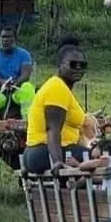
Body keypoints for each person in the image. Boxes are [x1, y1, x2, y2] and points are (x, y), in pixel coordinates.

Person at [23, 34, 91, 175]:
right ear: (60, 64)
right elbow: (52, 129)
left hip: (49, 150)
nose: (78, 68)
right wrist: (57, 162)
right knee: (107, 157)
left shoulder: (63, 89)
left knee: (98, 153)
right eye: (73, 64)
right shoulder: (56, 88)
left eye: (82, 65)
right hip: (43, 152)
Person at [0, 26, 35, 123]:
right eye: (3, 37)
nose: (5, 40)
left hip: (18, 90)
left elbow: (26, 75)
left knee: (28, 88)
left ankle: (29, 125)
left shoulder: (24, 54)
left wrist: (15, 84)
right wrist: (3, 83)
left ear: (15, 39)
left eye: (9, 37)